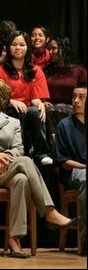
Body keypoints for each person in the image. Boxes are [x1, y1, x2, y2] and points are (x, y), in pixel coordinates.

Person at [0, 77, 79, 259]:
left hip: (5, 169)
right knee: (25, 161)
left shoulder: (13, 122)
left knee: (21, 179)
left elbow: (18, 148)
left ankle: (14, 239)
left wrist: (6, 158)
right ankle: (49, 212)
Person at [0, 31, 53, 165]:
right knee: (18, 111)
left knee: (36, 111)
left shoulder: (36, 70)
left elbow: (36, 98)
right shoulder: (0, 70)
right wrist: (11, 101)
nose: (18, 48)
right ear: (8, 48)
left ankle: (41, 154)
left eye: (22, 45)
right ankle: (19, 151)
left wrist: (40, 104)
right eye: (14, 44)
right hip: (7, 110)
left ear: (28, 48)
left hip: (28, 110)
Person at [55, 82, 87, 249]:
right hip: (74, 172)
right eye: (74, 97)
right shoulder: (64, 126)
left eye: (81, 97)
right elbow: (63, 161)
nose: (75, 101)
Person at [44, 36, 87, 141]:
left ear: (63, 49)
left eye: (54, 48)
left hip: (72, 108)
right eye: (49, 49)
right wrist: (43, 101)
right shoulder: (47, 70)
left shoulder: (79, 71)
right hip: (49, 109)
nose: (50, 52)